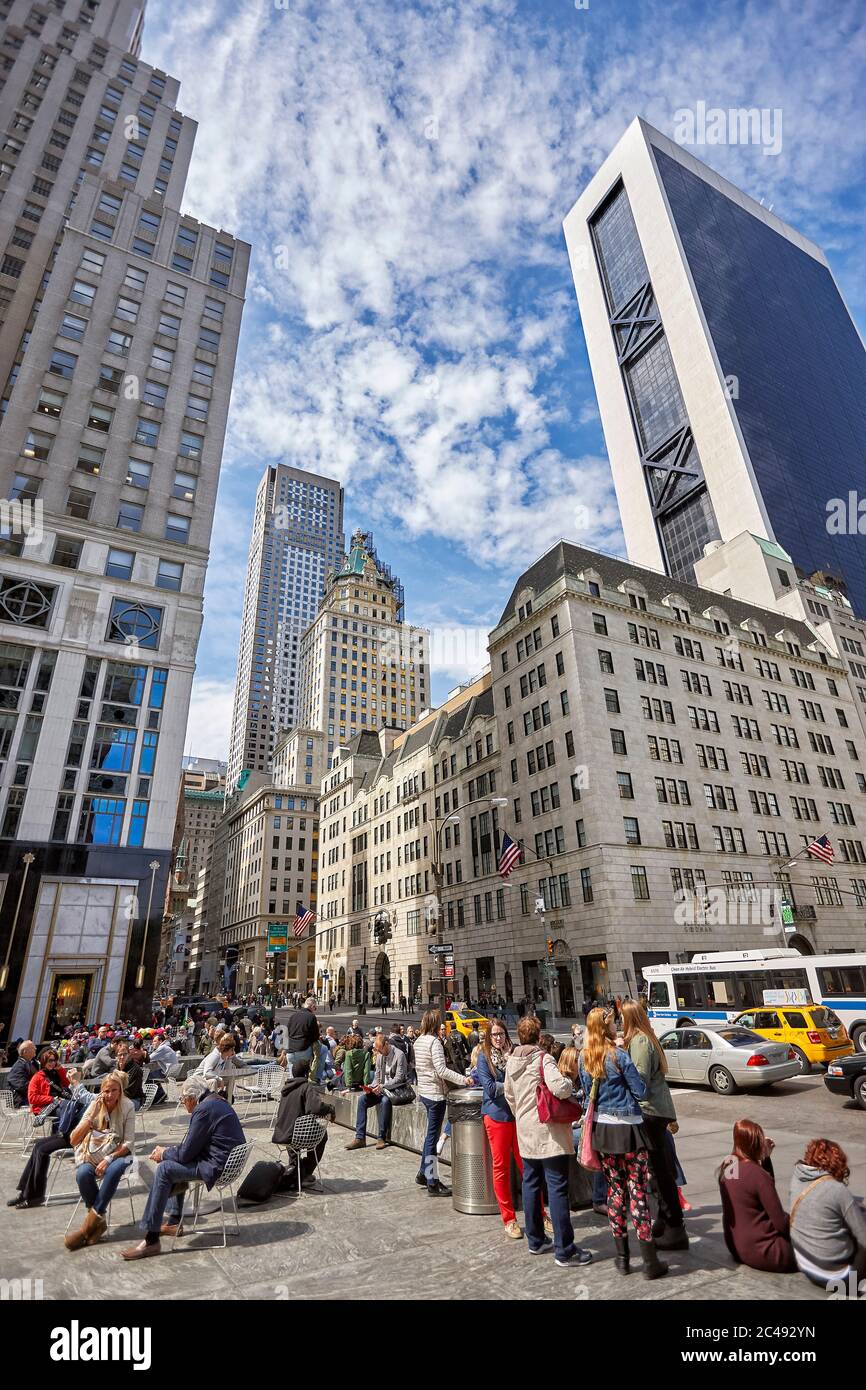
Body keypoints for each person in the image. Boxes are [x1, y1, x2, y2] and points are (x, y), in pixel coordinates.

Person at [578, 1006, 667, 1280]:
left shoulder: (585, 1058)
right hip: (628, 1130)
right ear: (605, 1028)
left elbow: (586, 1096)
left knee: (615, 1192)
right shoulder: (619, 1055)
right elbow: (640, 1089)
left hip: (603, 1131)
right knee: (637, 1191)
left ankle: (623, 1258)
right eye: (613, 1022)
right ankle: (650, 1261)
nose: (617, 1025)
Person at [121, 1077, 246, 1260]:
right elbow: (190, 1148)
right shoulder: (216, 1101)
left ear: (192, 1098)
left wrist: (163, 1153)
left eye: (182, 1099)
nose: (183, 1103)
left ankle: (151, 1239)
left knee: (165, 1169)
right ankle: (173, 1221)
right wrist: (170, 1152)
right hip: (229, 1162)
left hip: (218, 1166)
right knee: (172, 1165)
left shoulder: (203, 1110)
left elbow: (186, 1153)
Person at [504, 1013, 592, 1268]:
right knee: (557, 1188)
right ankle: (565, 1250)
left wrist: (521, 1114)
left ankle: (536, 1240)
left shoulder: (511, 1062)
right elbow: (560, 1088)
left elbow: (509, 1095)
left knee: (531, 1184)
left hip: (525, 1131)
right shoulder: (543, 1059)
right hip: (548, 1132)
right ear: (538, 1035)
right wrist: (567, 1081)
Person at [622, 999, 688, 1251]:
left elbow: (639, 1080)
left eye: (622, 1018)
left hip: (649, 1112)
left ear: (629, 1019)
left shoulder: (639, 1041)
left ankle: (674, 1225)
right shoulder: (646, 1038)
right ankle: (665, 1218)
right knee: (658, 1169)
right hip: (655, 1111)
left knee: (659, 1172)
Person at [65, 1072, 135, 1250]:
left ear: (120, 1091)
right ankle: (99, 1222)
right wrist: (92, 1116)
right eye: (106, 1091)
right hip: (95, 1152)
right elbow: (73, 1140)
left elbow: (129, 1142)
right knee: (83, 1174)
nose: (110, 1095)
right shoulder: (95, 1104)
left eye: (114, 1090)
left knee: (112, 1171)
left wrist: (109, 1158)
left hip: (121, 1153)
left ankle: (87, 1228)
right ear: (101, 1091)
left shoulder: (128, 1106)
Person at [717, 1119, 795, 1274]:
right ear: (755, 1144)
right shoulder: (758, 1175)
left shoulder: (727, 1169)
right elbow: (780, 1223)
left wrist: (765, 1158)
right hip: (768, 1252)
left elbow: (760, 1189)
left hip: (737, 1246)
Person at [788, 1138, 866, 1288]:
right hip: (837, 1275)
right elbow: (863, 1240)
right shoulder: (837, 1190)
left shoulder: (796, 1177)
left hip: (806, 1265)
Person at [7, 1070, 90, 1209]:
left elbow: (84, 1097)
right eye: (50, 1060)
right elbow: (70, 1095)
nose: (108, 1093)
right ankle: (25, 1193)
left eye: (55, 1060)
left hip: (78, 1135)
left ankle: (35, 1196)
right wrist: (70, 1083)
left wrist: (72, 1080)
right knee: (38, 1146)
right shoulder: (40, 1076)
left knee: (42, 1150)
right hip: (69, 1131)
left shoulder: (95, 1098)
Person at [413, 1009, 472, 1195]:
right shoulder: (434, 1042)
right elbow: (442, 1070)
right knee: (432, 1138)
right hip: (436, 1095)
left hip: (424, 1092)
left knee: (430, 1136)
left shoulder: (418, 1041)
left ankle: (423, 1173)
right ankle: (432, 1181)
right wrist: (464, 1079)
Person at [476, 1019, 524, 1240]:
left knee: (527, 1165)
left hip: (519, 1115)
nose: (498, 1038)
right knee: (501, 1166)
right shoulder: (484, 1058)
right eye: (494, 1034)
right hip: (496, 1116)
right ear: (488, 1037)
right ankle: (509, 1219)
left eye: (501, 1034)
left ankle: (541, 1213)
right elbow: (489, 1088)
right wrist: (513, 1086)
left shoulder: (514, 1053)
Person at [272, 1059, 335, 1185]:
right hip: (295, 1135)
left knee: (295, 1128)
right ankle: (305, 1171)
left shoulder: (285, 1089)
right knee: (321, 1136)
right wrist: (331, 1109)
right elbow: (316, 1108)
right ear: (307, 1074)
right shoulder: (306, 1087)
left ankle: (295, 1168)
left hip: (281, 1134)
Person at [345, 1034, 408, 1150]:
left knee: (384, 1101)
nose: (378, 1052)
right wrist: (371, 1086)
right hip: (380, 1089)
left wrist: (382, 1086)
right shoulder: (380, 1056)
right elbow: (377, 1075)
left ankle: (381, 1137)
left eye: (380, 1049)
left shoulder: (399, 1055)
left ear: (386, 1044)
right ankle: (360, 1138)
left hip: (393, 1091)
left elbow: (399, 1078)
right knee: (362, 1100)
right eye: (377, 1050)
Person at [27, 1048, 71, 1116]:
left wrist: (60, 1069)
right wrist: (52, 1099)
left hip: (60, 1103)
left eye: (55, 1060)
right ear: (44, 1061)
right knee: (67, 1112)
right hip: (45, 1108)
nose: (53, 1063)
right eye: (50, 1061)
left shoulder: (56, 1073)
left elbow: (67, 1084)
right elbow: (32, 1098)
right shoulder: (37, 1077)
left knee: (77, 1108)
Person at [283, 995, 320, 1072]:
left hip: (290, 1051)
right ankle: (317, 1077)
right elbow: (315, 1036)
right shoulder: (311, 1017)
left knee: (292, 1077)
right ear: (312, 1006)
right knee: (324, 1050)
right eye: (315, 1008)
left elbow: (286, 1033)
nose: (315, 1010)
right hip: (303, 1050)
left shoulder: (293, 1016)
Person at [7, 1039, 37, 1108]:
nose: (35, 1048)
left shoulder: (30, 1063)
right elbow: (21, 1086)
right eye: (32, 1047)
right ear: (25, 1052)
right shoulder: (18, 1066)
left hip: (29, 1098)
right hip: (21, 1101)